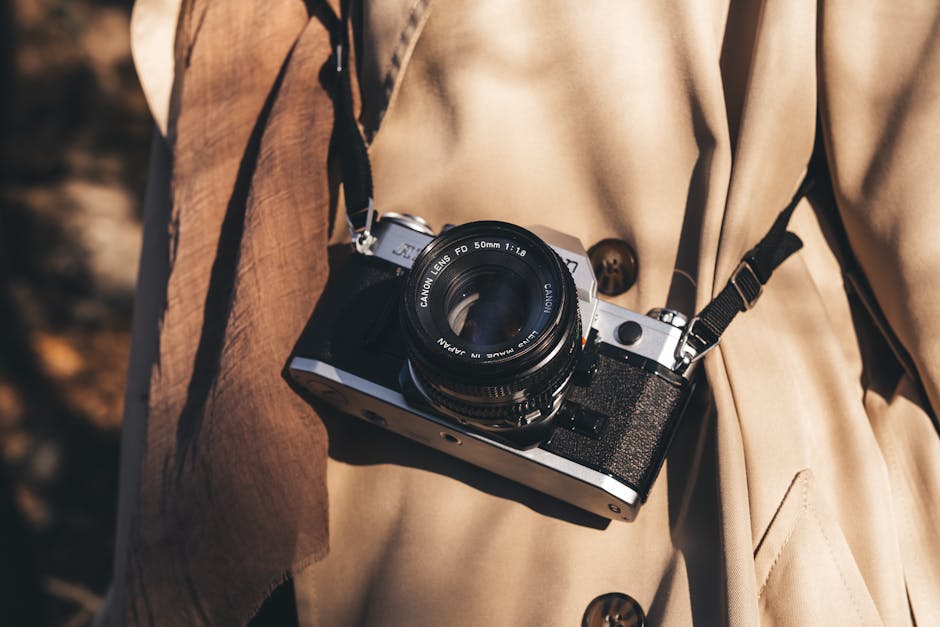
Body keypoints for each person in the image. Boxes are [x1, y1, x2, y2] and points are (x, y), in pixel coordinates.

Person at [98, 0, 940, 624]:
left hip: (694, 493)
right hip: (293, 469)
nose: (489, 320)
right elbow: (198, 269)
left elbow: (915, 177)